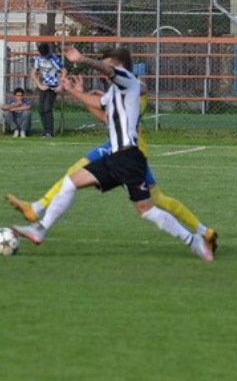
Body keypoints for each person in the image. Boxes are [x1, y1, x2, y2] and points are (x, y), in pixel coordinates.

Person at [12, 46, 212, 262]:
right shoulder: (115, 92)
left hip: (128, 157)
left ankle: (194, 240)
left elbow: (107, 72)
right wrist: (72, 90)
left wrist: (82, 59)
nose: (104, 71)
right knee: (70, 182)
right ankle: (39, 229)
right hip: (116, 157)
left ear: (121, 66)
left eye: (109, 65)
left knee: (146, 210)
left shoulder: (126, 80)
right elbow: (99, 105)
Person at [30, 42, 63, 138]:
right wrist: (39, 85)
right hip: (43, 86)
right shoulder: (38, 59)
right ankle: (45, 131)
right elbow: (33, 73)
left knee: (47, 108)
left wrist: (60, 85)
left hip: (53, 86)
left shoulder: (54, 59)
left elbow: (63, 71)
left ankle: (50, 132)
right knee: (41, 109)